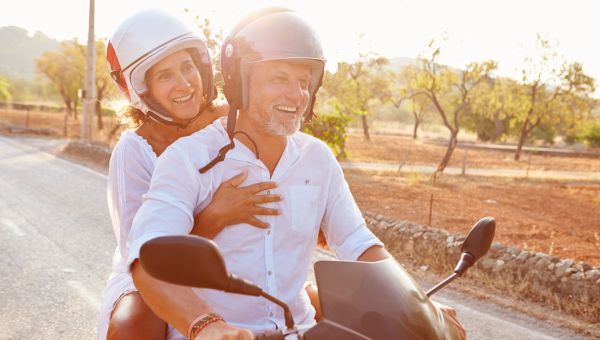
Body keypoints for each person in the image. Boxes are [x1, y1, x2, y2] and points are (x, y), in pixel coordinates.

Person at [127, 7, 466, 340]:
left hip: (302, 332)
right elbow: (147, 258)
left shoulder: (317, 158)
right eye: (279, 79)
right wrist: (206, 325)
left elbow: (358, 243)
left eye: (303, 81)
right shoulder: (188, 159)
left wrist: (419, 306)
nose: (296, 94)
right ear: (239, 82)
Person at [96, 9, 283, 339]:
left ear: (203, 68)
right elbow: (141, 255)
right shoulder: (135, 150)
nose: (183, 83)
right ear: (144, 89)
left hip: (240, 262)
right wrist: (215, 216)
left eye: (188, 68)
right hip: (157, 280)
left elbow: (285, 177)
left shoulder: (237, 121)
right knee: (134, 324)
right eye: (164, 76)